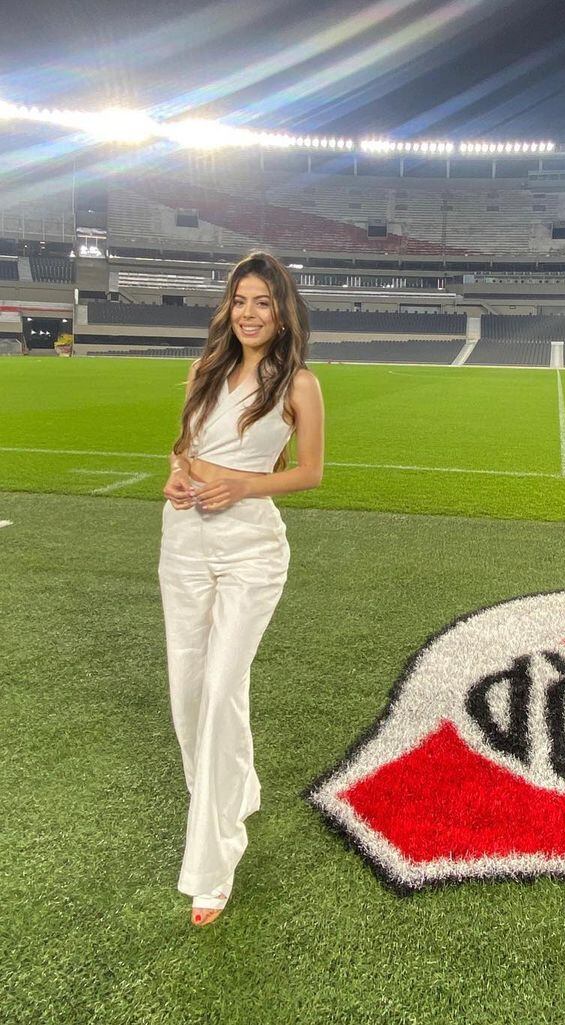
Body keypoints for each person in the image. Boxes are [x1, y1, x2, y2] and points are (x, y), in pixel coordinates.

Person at [159, 251, 324, 927]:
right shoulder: (203, 370)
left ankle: (213, 861)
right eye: (240, 300)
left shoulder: (300, 384)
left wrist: (244, 484)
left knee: (224, 691)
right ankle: (231, 790)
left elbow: (311, 472)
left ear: (283, 311)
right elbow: (183, 446)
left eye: (264, 301)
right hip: (181, 541)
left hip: (252, 550)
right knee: (190, 690)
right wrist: (174, 474)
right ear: (228, 308)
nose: (250, 313)